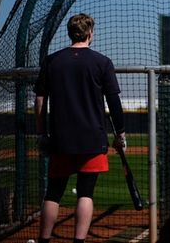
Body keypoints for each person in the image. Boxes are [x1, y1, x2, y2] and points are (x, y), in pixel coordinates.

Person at [34, 13, 127, 243]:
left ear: (70, 32)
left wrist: (41, 133)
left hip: (61, 138)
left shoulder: (52, 61)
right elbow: (114, 102)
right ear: (90, 33)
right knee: (86, 193)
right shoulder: (102, 62)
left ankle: (44, 240)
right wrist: (120, 133)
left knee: (53, 193)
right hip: (92, 138)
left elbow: (39, 100)